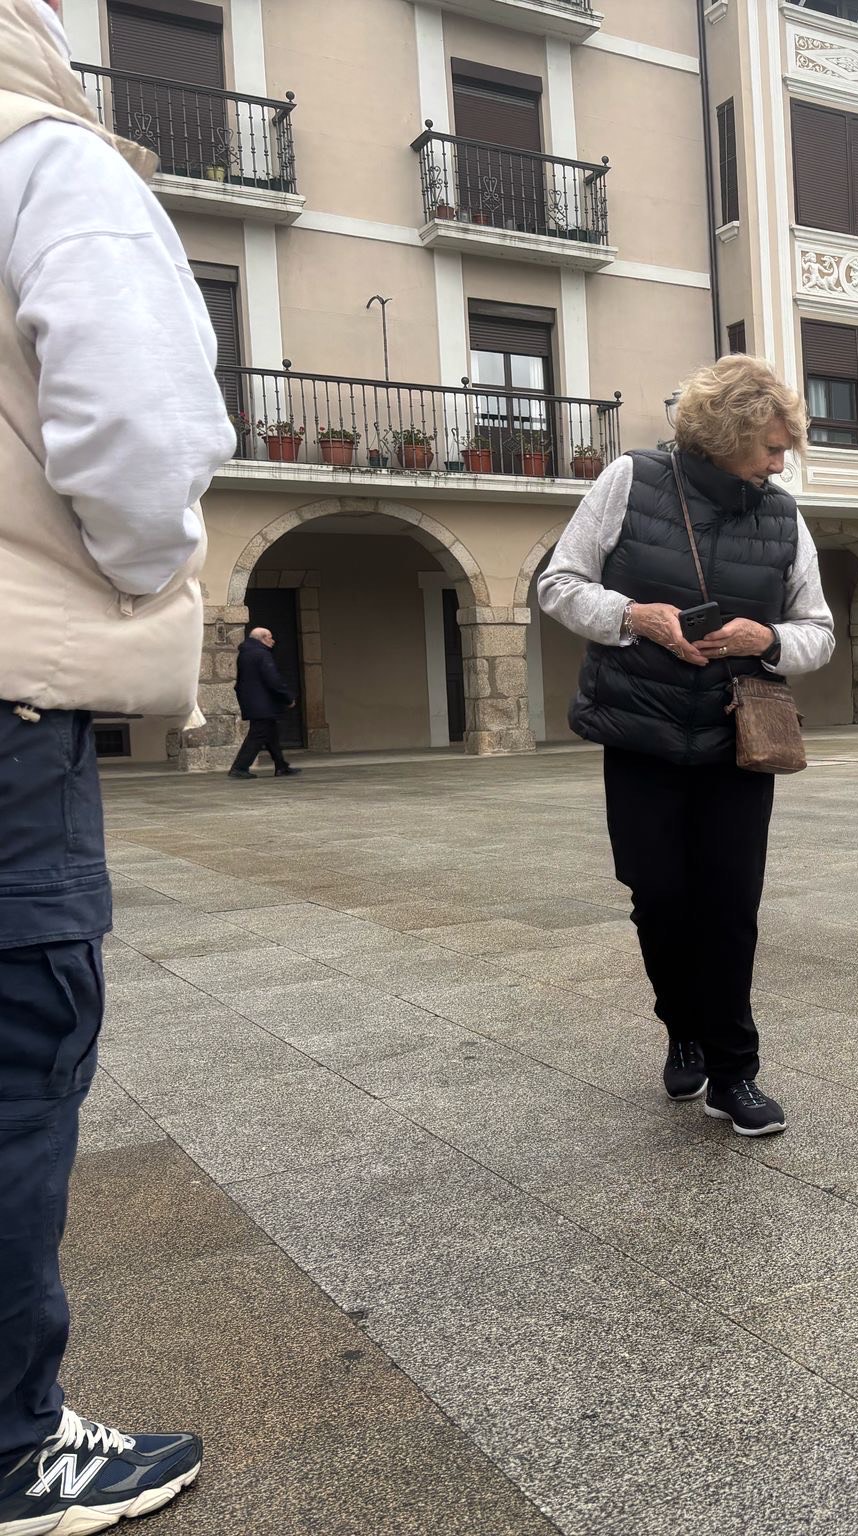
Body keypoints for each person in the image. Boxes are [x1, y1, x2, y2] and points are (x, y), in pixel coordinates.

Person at [0, 0, 235, 1529]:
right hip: (8, 698)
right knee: (17, 1058)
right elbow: (145, 434)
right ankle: (14, 1442)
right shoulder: (46, 160)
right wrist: (143, 589)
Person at [539, 355, 833, 1137]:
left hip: (739, 738)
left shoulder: (783, 514)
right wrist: (634, 616)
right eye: (771, 447)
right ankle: (684, 1029)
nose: (781, 462)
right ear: (728, 432)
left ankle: (734, 1072)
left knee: (730, 909)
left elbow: (818, 632)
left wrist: (765, 637)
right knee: (659, 899)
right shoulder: (629, 482)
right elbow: (560, 584)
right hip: (639, 731)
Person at [227, 627, 300, 779]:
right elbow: (273, 680)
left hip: (253, 702)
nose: (273, 641)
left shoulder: (245, 654)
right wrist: (287, 697)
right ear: (262, 638)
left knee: (270, 734)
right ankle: (239, 768)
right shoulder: (261, 654)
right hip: (262, 703)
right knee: (257, 735)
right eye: (270, 637)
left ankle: (281, 766)